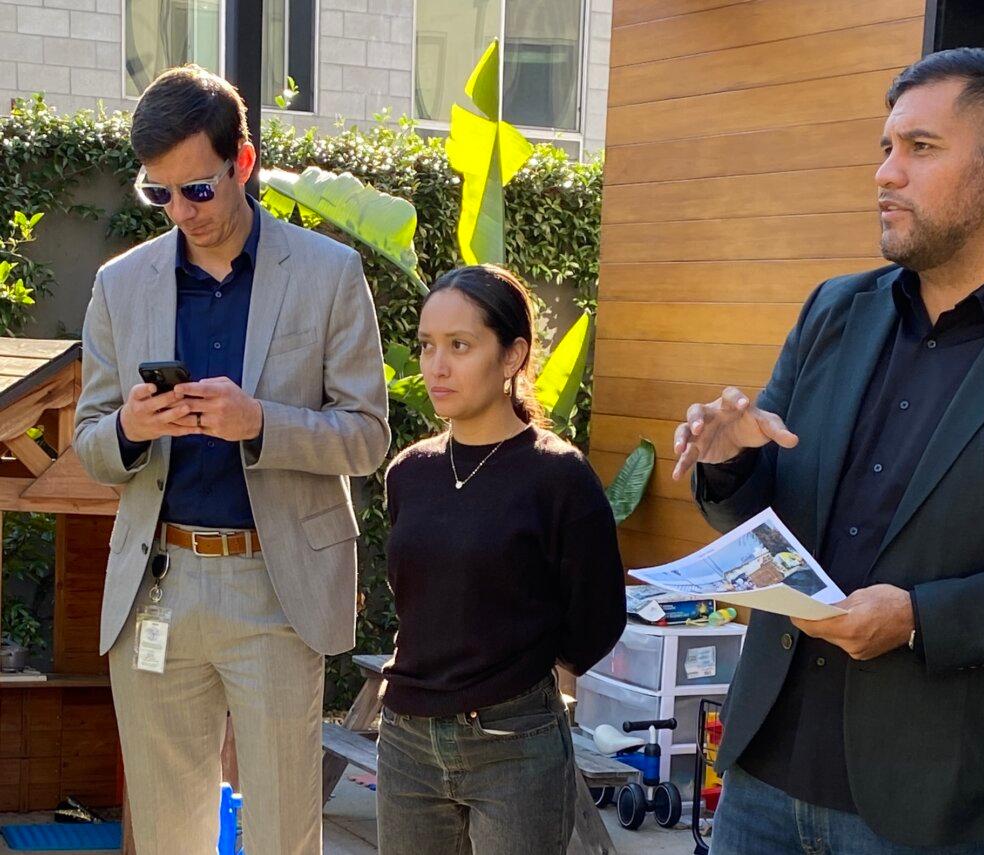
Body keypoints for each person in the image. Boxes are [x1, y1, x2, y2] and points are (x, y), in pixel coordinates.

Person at [672, 48, 984, 853]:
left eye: (920, 147)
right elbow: (768, 517)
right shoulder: (834, 310)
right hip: (761, 780)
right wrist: (730, 463)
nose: (886, 172)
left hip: (937, 809)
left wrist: (922, 619)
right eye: (886, 147)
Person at [74, 65, 390, 853]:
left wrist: (260, 422)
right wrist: (131, 427)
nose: (181, 211)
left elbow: (366, 435)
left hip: (276, 587)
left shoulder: (329, 273)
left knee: (282, 832)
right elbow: (90, 441)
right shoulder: (120, 284)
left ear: (242, 161)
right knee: (167, 835)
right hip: (157, 586)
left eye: (198, 189)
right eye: (159, 193)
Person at [377, 264, 626, 855]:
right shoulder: (409, 472)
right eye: (428, 345)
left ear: (512, 355)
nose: (436, 366)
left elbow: (596, 618)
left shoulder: (559, 477)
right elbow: (416, 597)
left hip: (514, 741)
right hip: (408, 740)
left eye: (460, 346)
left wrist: (521, 667)